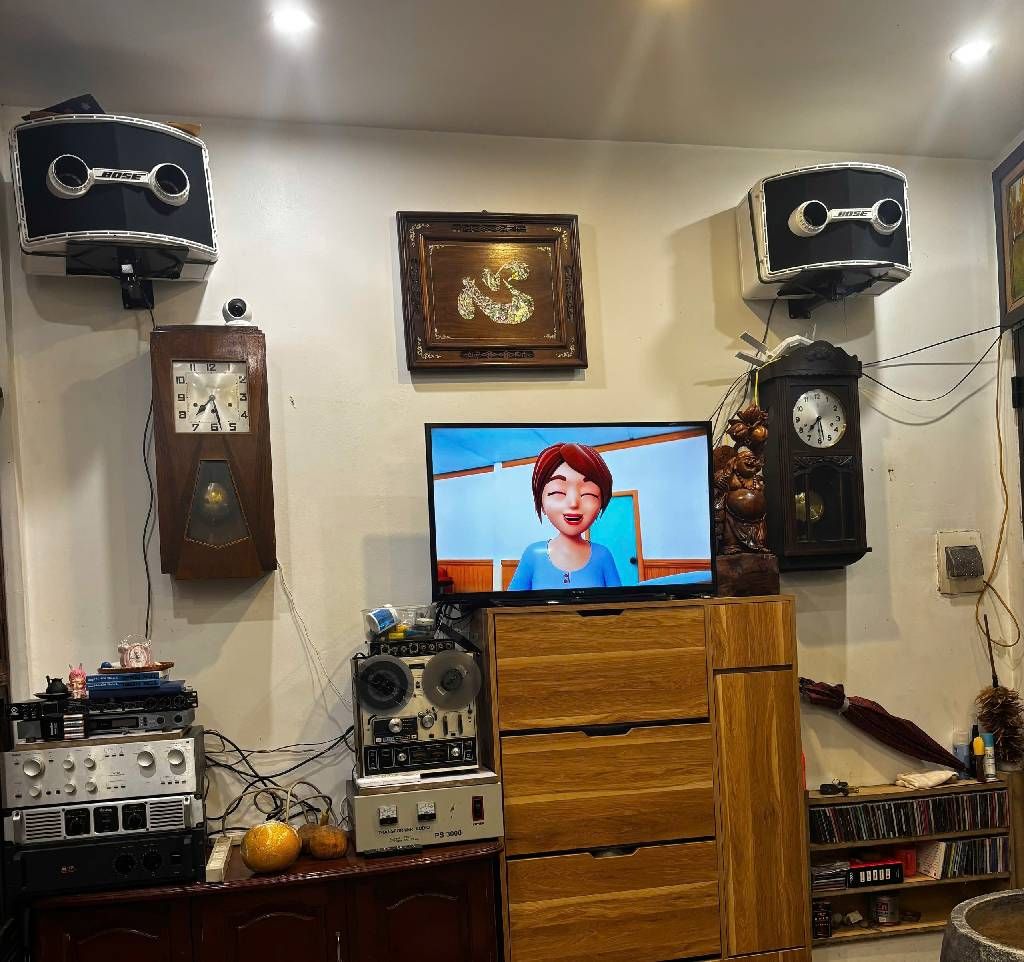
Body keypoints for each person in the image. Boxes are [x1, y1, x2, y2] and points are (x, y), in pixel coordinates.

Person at [508, 442, 622, 590]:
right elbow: (511, 602)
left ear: (601, 502)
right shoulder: (533, 554)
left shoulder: (603, 556)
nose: (573, 503)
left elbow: (619, 601)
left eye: (588, 493)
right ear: (541, 502)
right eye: (558, 492)